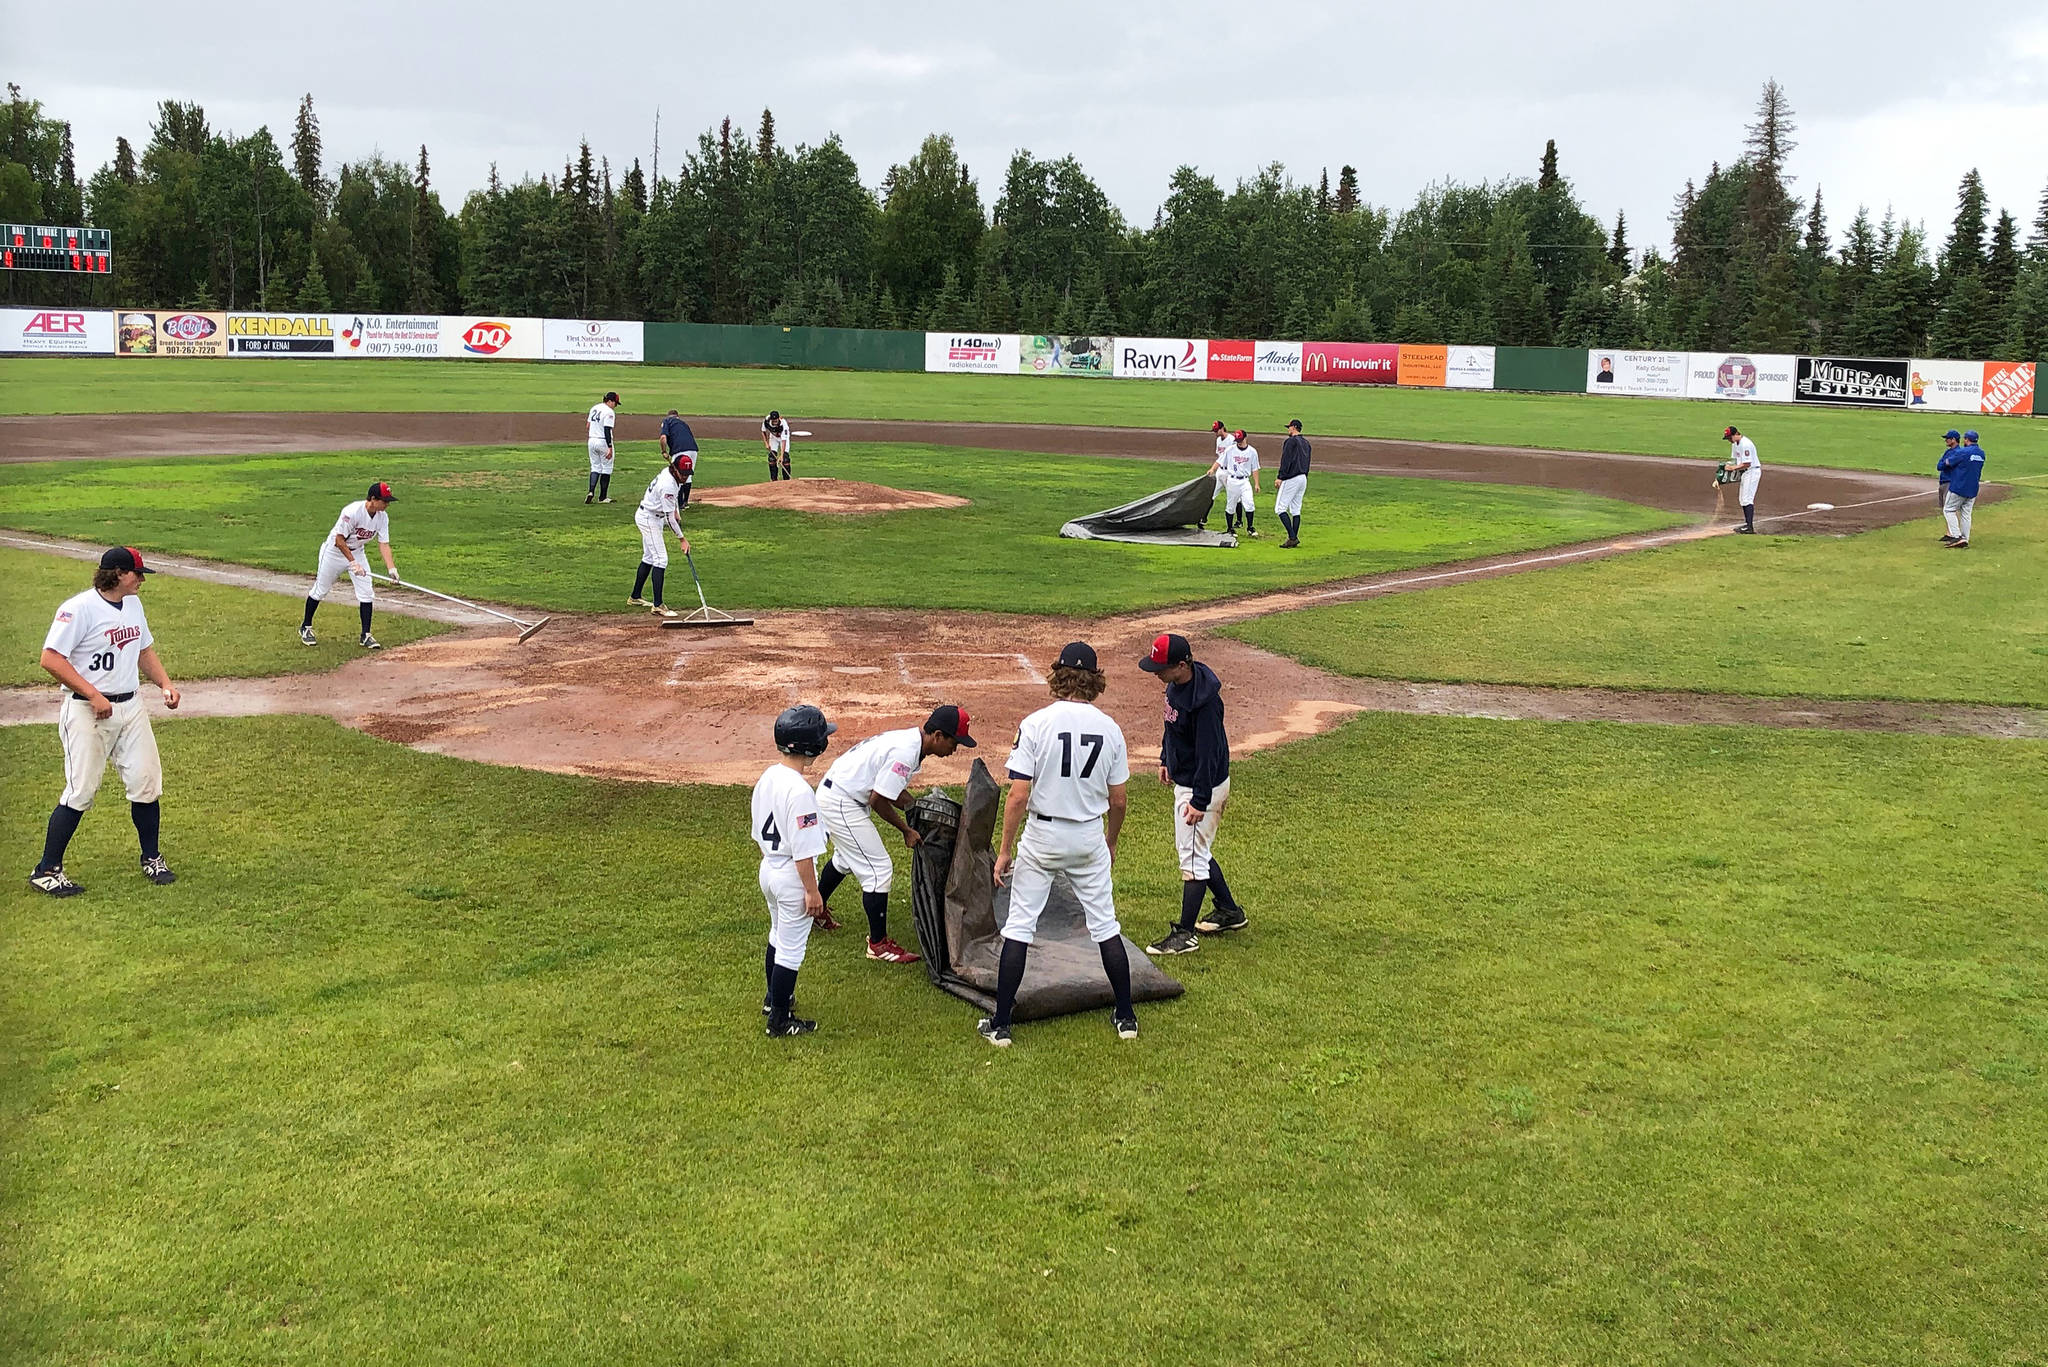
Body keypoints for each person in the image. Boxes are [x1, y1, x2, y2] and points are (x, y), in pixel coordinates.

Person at [980, 641, 1138, 1047]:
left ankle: (1001, 1025)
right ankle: (1126, 1017)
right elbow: (1118, 799)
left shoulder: (1036, 723)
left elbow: (1017, 795)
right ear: (1094, 680)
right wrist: (1110, 841)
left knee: (1020, 926)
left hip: (1043, 835)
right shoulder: (1111, 728)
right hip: (1087, 834)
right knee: (1105, 925)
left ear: (1059, 676)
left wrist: (1004, 848)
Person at [30, 547, 182, 897]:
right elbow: (50, 658)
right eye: (137, 574)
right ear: (116, 573)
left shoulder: (133, 605)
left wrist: (165, 684)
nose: (141, 580)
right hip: (86, 711)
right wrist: (94, 694)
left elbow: (143, 650)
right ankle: (47, 869)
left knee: (146, 782)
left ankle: (152, 858)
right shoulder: (78, 609)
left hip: (131, 706)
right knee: (80, 791)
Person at [816, 705, 978, 964]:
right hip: (841, 801)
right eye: (954, 742)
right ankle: (878, 945)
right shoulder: (906, 752)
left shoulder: (910, 743)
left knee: (846, 859)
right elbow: (878, 799)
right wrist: (906, 830)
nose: (954, 750)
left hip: (839, 793)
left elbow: (890, 789)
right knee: (879, 870)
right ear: (937, 736)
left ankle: (816, 908)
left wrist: (915, 807)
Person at [1138, 634, 1247, 956]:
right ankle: (1229, 911)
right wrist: (1164, 758)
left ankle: (1185, 935)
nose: (1156, 673)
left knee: (1193, 859)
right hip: (1188, 779)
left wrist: (1200, 800)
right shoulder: (1177, 686)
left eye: (1162, 667)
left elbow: (1209, 754)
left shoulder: (1205, 703)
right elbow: (1171, 726)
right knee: (1198, 850)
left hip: (1203, 787)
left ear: (1182, 665)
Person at [753, 704, 837, 1037]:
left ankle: (773, 1000)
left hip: (769, 868)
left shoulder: (768, 776)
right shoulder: (800, 791)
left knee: (777, 935)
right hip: (792, 875)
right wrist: (812, 891)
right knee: (791, 948)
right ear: (812, 747)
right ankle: (779, 1020)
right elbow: (804, 852)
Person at [300, 482, 400, 648]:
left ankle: (365, 635)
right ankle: (306, 627)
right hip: (334, 553)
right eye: (385, 501)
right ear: (373, 499)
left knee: (366, 592)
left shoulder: (382, 518)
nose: (387, 504)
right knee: (320, 590)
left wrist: (391, 568)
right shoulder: (352, 512)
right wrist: (352, 562)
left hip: (357, 552)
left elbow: (384, 543)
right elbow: (339, 540)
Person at [630, 452, 691, 617]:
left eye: (687, 474)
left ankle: (635, 596)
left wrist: (676, 510)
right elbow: (670, 520)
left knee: (649, 557)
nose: (685, 477)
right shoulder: (668, 485)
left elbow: (672, 508)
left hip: (652, 516)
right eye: (683, 473)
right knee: (661, 559)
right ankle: (658, 605)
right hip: (648, 518)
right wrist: (682, 539)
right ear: (675, 469)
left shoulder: (671, 475)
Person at [1209, 429, 1262, 539]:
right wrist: (1212, 469)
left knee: (1249, 503)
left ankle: (1250, 527)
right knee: (1231, 505)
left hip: (1244, 481)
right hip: (1232, 480)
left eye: (1240, 439)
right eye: (1237, 440)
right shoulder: (1230, 450)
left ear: (1245, 438)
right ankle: (1230, 528)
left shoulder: (1252, 452)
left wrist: (1256, 483)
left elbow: (1255, 468)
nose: (1239, 442)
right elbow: (1220, 460)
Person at [1938, 429, 1986, 548]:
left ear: (1966, 439)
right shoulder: (1981, 453)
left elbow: (1947, 463)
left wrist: (1946, 463)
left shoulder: (1963, 452)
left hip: (1959, 486)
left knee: (1948, 510)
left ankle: (1956, 536)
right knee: (1966, 514)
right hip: (1973, 488)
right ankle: (1965, 538)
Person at [1275, 419, 1311, 547]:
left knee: (1280, 508)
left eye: (1289, 427)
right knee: (1296, 509)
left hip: (1291, 478)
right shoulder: (1306, 443)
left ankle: (1292, 536)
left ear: (1294, 427)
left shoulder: (1290, 442)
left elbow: (1286, 460)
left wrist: (1280, 477)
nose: (1288, 430)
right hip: (1303, 478)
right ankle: (1293, 540)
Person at [1720, 425, 1761, 534]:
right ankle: (1747, 524)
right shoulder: (1735, 445)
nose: (1729, 440)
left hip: (1752, 472)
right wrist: (1726, 468)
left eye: (1729, 438)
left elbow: (1747, 463)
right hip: (1745, 472)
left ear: (1735, 434)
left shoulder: (1746, 444)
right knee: (1742, 499)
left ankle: (1749, 527)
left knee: (1747, 499)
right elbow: (1734, 460)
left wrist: (1733, 468)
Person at [658, 409, 699, 512]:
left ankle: (679, 504)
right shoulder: (684, 423)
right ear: (677, 416)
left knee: (677, 475)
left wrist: (663, 451)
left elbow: (663, 437)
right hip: (693, 449)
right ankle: (685, 503)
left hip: (679, 450)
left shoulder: (667, 421)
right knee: (688, 475)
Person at [585, 391, 620, 504]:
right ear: (609, 401)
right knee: (606, 468)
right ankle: (603, 497)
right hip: (603, 441)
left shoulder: (594, 408)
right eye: (615, 403)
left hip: (591, 440)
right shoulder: (609, 412)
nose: (615, 406)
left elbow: (588, 425)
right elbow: (607, 430)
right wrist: (609, 447)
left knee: (595, 467)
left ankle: (591, 491)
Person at [1204, 419, 1230, 528]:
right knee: (1211, 494)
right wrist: (1214, 469)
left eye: (1216, 431)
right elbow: (1219, 456)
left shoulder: (1232, 440)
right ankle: (1204, 517)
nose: (1215, 433)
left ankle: (1238, 521)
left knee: (1234, 497)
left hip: (1229, 472)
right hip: (1220, 470)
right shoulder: (1219, 440)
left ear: (1222, 428)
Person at [762, 410, 793, 481]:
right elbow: (763, 431)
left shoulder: (783, 425)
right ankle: (774, 480)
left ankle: (786, 481)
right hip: (773, 437)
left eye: (776, 420)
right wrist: (766, 443)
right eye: (774, 420)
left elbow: (784, 441)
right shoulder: (766, 421)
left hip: (783, 438)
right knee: (772, 458)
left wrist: (781, 456)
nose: (775, 422)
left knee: (785, 459)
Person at [1937, 429, 1960, 519]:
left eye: (1947, 438)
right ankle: (1950, 531)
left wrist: (1946, 463)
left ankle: (1954, 532)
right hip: (1943, 482)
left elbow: (1949, 464)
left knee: (1950, 509)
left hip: (1950, 482)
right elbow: (1939, 466)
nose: (1946, 440)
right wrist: (1945, 463)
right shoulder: (1948, 452)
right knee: (1945, 510)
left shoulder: (1958, 452)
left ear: (1953, 439)